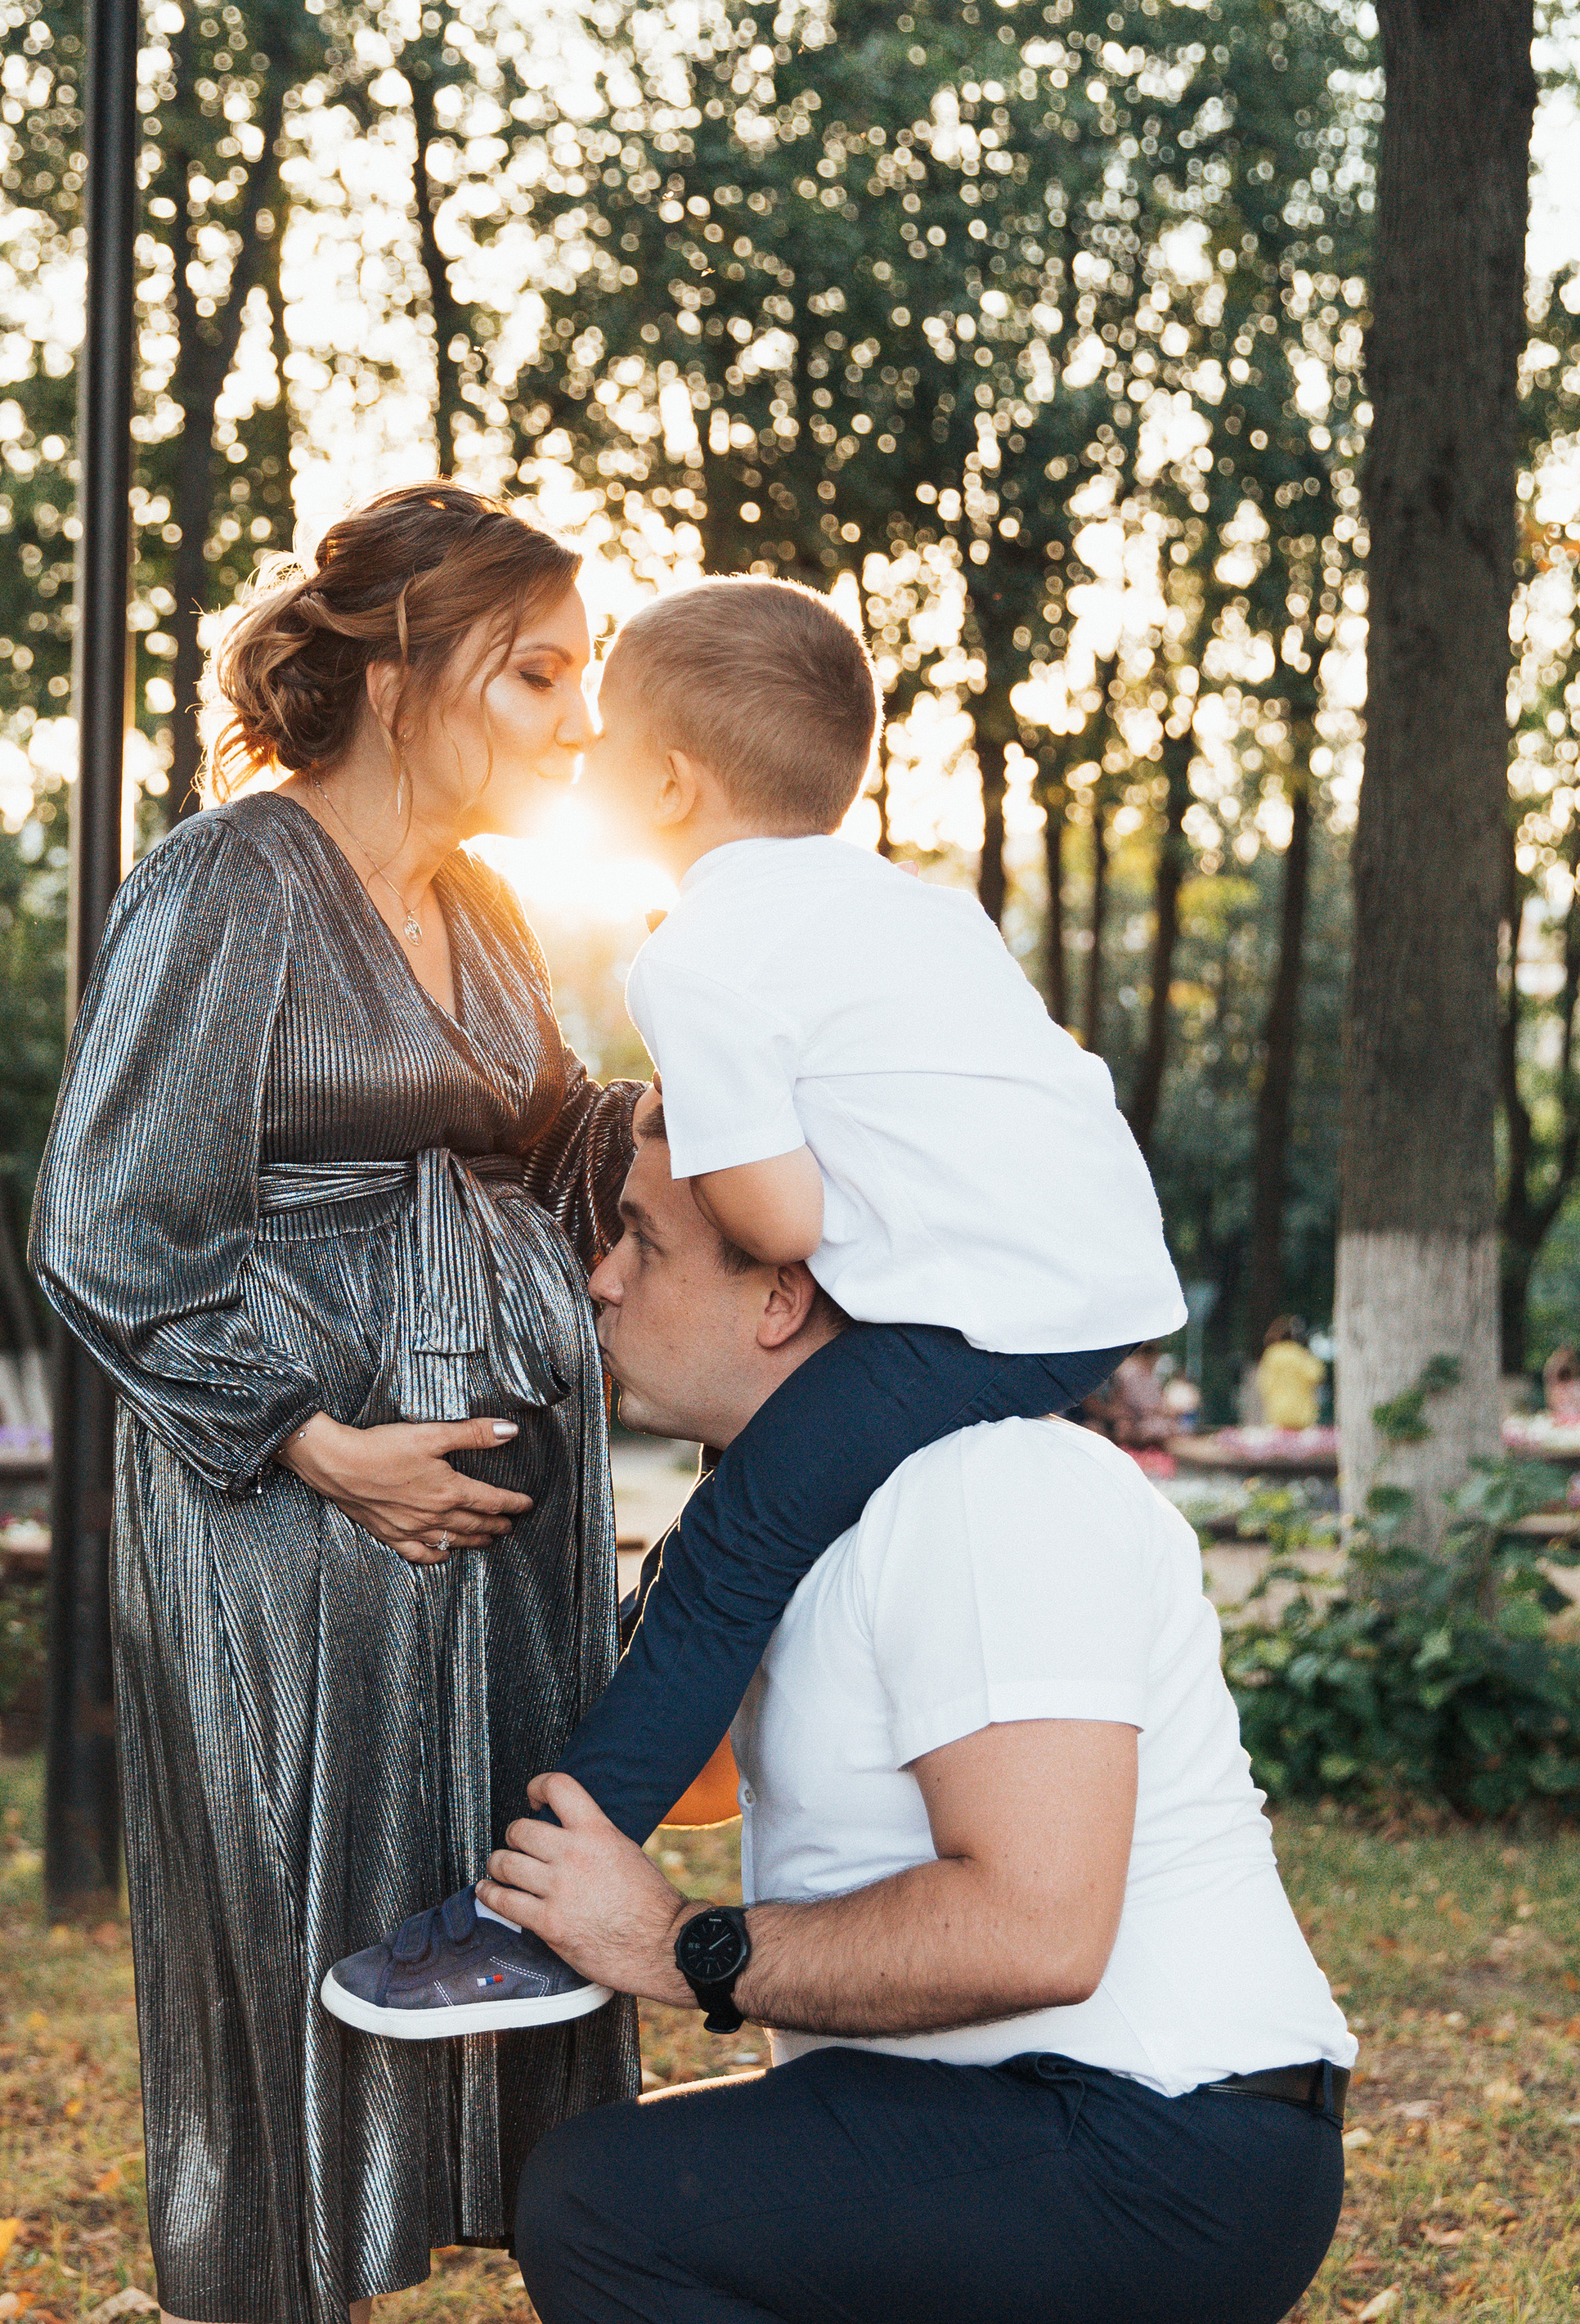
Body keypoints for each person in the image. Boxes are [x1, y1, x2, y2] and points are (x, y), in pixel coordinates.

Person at [486, 1108, 1580, 2324]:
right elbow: (684, 1775)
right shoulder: (795, 1519)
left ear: (783, 1292)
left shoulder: (986, 1494)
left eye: (633, 1240)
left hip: (1153, 2155)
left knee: (609, 2202)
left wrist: (683, 1946)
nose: (594, 1279)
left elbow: (1035, 1929)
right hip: (988, 2138)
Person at [27, 481, 644, 2324]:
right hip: (285, 1550)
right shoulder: (226, 883)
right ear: (407, 657)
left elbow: (548, 1151)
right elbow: (110, 1225)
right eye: (541, 671)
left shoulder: (480, 905)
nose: (577, 721)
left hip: (463, 1572)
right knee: (261, 2021)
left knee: (390, 2003)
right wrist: (317, 1442)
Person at [326, 577, 1183, 2040]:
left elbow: (781, 1221)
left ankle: (531, 1919)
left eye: (599, 745)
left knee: (731, 1547)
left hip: (977, 1319)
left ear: (665, 780)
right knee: (749, 1502)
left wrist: (722, 1166)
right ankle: (647, 1731)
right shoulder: (918, 908)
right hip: (1092, 1289)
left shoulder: (698, 953)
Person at [1254, 1314, 1326, 1432]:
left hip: (1278, 1415)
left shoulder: (1271, 1354)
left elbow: (1263, 1383)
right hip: (1302, 1415)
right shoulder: (1299, 1354)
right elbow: (1317, 1375)